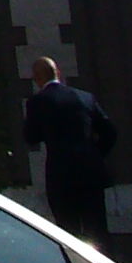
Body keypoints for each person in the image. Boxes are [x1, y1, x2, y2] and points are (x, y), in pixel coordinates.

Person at [24, 55, 118, 238]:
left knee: (68, 231)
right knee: (97, 227)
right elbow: (110, 132)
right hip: (90, 172)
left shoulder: (37, 102)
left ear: (37, 78)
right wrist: (95, 154)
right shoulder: (84, 97)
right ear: (58, 73)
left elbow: (31, 137)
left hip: (61, 174)